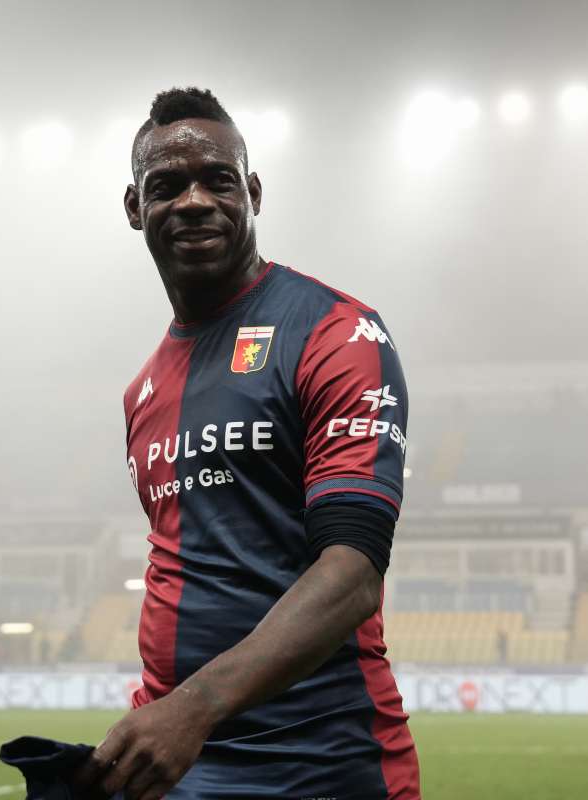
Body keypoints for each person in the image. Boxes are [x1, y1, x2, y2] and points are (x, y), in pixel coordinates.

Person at [76, 87, 419, 799]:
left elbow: (354, 572)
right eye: (166, 186)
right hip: (178, 764)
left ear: (253, 194)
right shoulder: (142, 391)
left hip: (323, 764)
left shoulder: (335, 332)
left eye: (218, 180)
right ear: (135, 208)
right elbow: (188, 569)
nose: (194, 201)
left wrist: (193, 708)